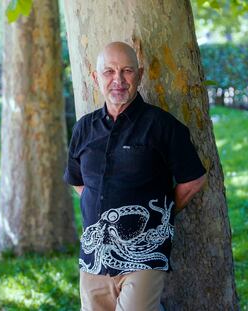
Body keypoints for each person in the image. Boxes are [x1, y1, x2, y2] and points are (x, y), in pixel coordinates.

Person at [64, 41, 206, 311]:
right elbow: (79, 182)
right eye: (108, 72)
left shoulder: (164, 126)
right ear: (95, 78)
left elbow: (194, 179)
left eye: (127, 71)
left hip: (145, 257)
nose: (118, 80)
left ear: (139, 75)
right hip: (93, 257)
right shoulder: (84, 128)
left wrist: (161, 215)